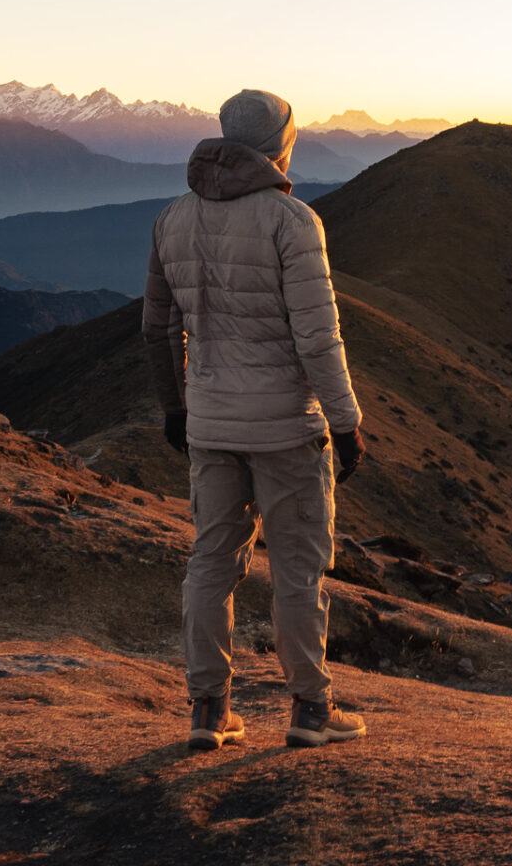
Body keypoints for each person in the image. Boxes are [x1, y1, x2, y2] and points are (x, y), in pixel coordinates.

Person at [142, 88, 369, 751]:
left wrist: (175, 408)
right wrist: (346, 420)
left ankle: (208, 713)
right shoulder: (293, 222)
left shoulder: (170, 219)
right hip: (286, 430)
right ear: (282, 142)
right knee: (298, 573)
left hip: (209, 425)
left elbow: (157, 331)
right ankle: (310, 711)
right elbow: (317, 339)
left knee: (210, 565)